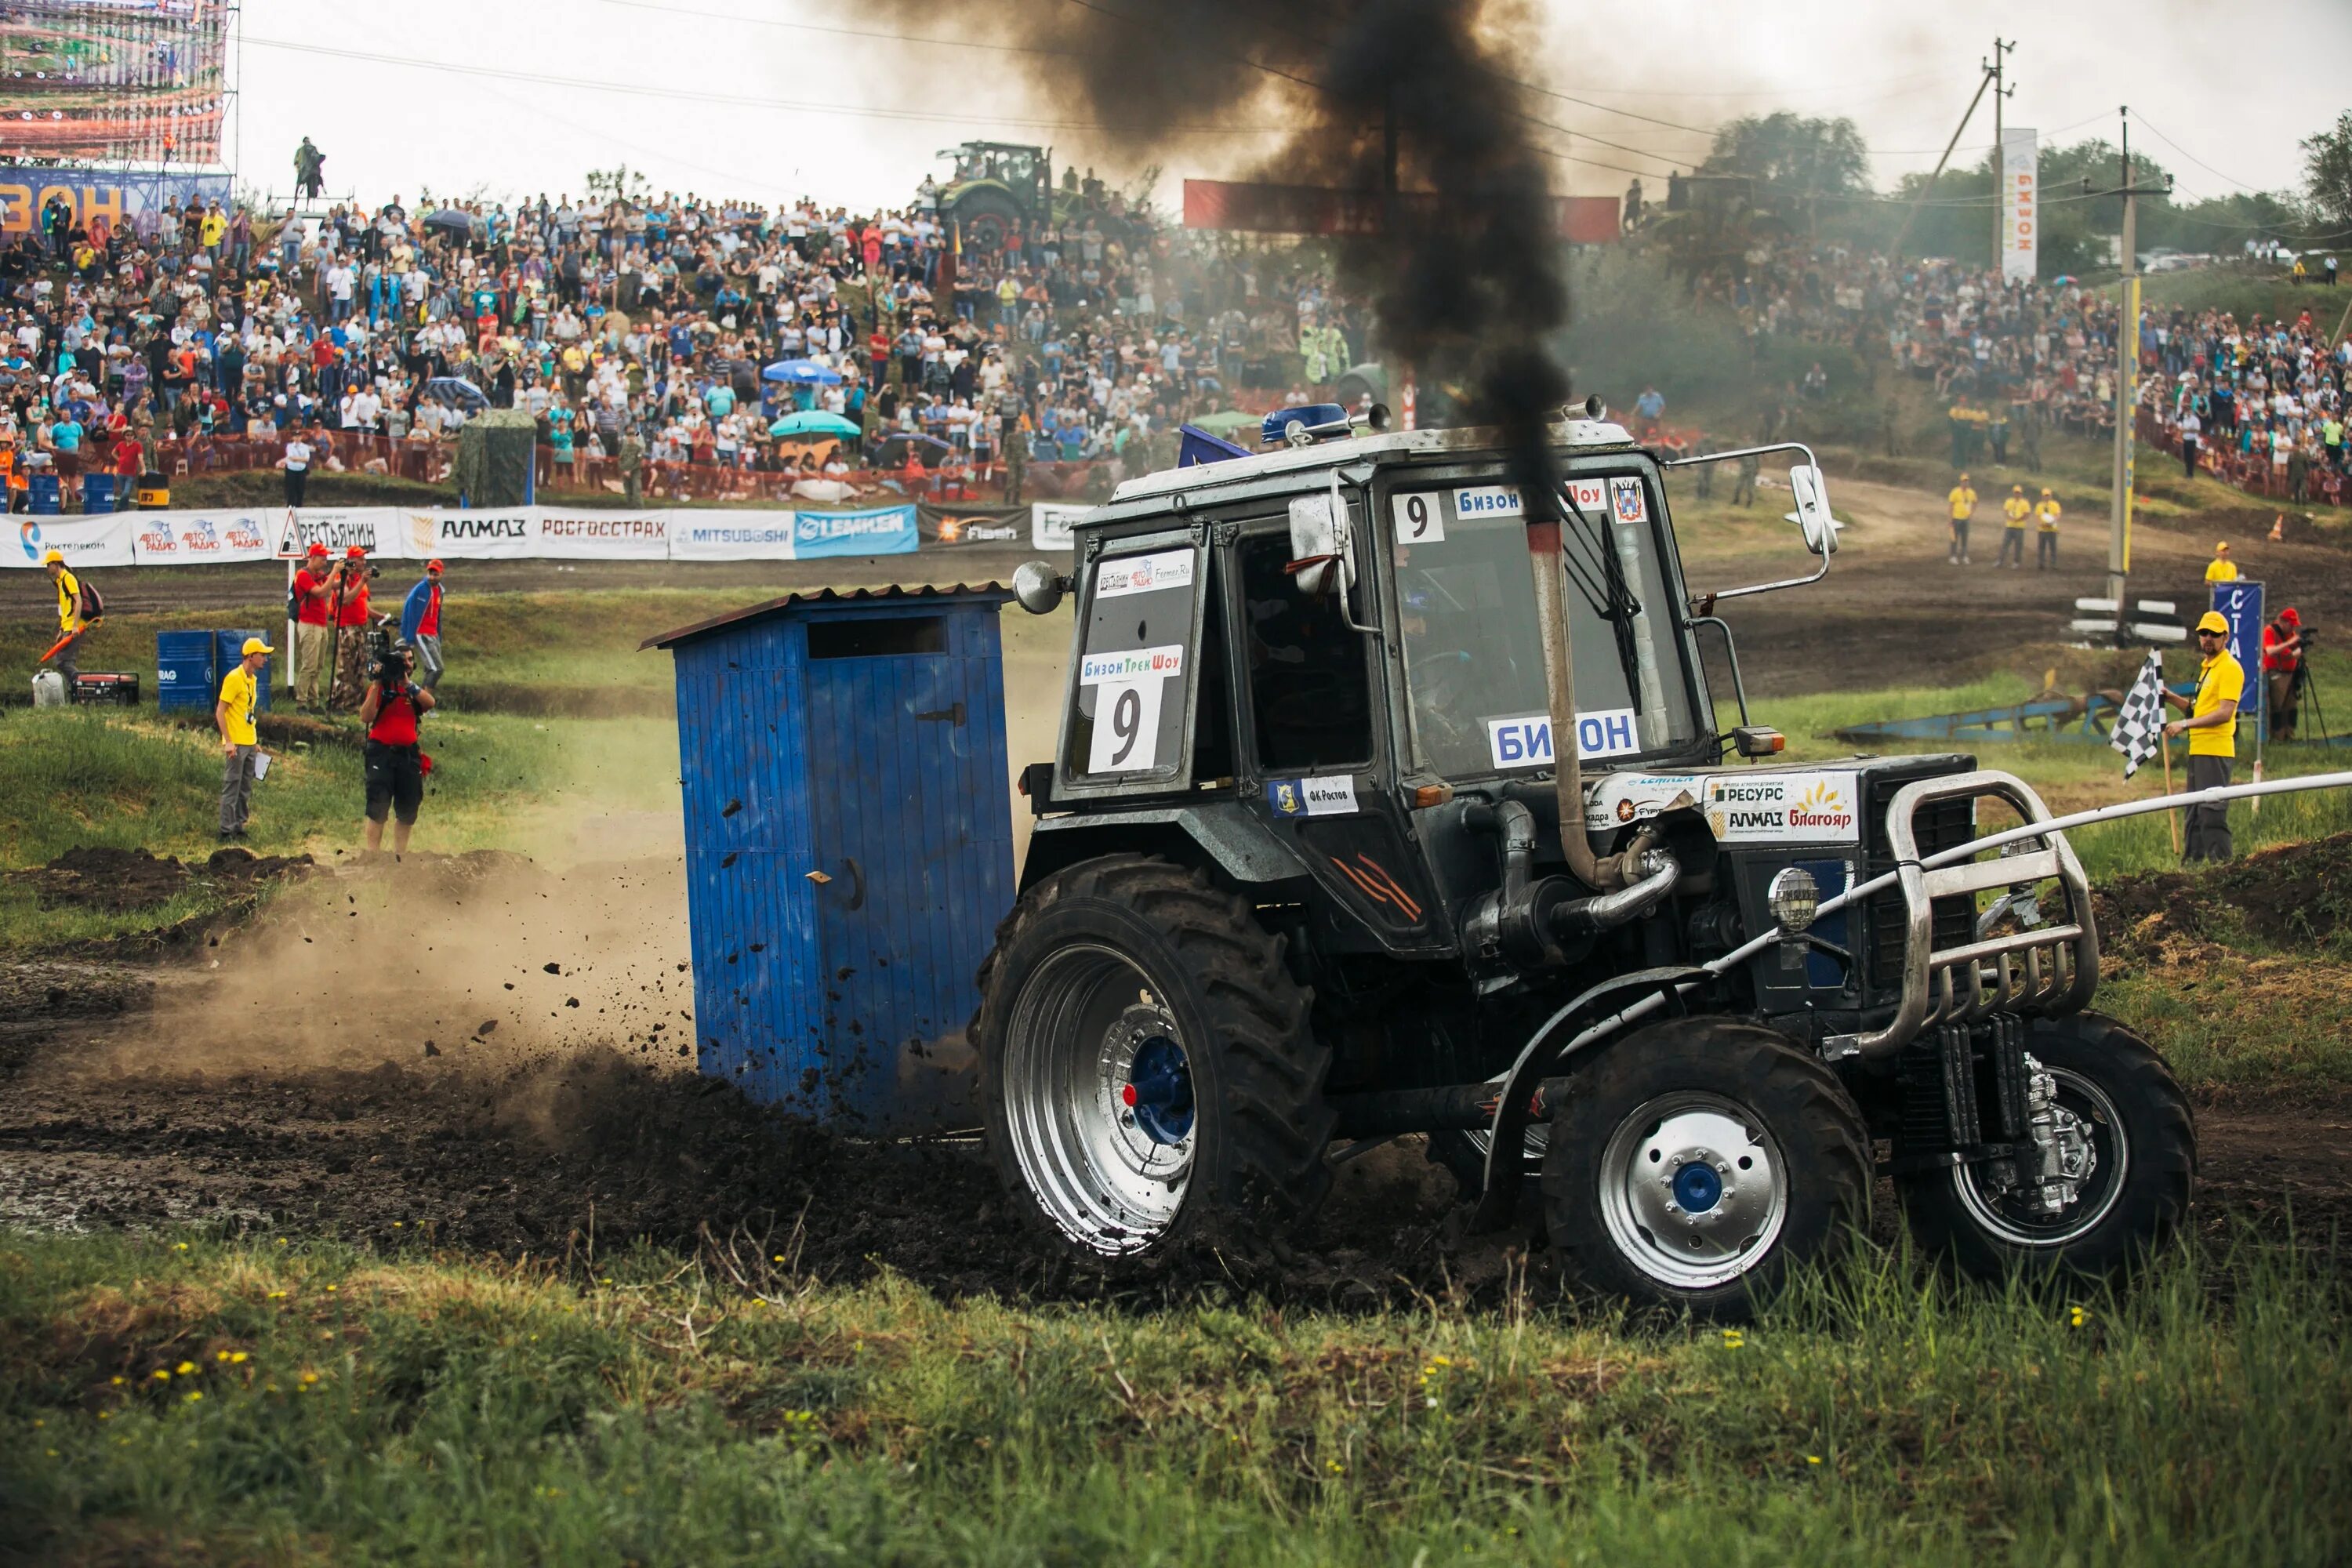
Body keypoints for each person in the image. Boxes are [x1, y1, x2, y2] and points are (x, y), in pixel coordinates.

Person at [2164, 612, 2242, 862]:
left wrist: (2185, 724)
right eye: (2203, 633)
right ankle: (2193, 866)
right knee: (2194, 811)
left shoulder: (2229, 668)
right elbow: (2197, 710)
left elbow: (2224, 713)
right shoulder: (2208, 669)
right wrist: (2170, 697)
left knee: (2212, 811)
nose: (2208, 638)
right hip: (2198, 749)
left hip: (2216, 750)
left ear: (2225, 638)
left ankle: (2222, 866)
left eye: (2214, 634)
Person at [359, 638, 435, 856]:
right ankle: (373, 855)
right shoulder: (381, 687)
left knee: (408, 807)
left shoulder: (412, 689)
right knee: (377, 806)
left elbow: (430, 703)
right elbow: (366, 716)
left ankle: (400, 855)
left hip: (408, 755)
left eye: (411, 660)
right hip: (381, 752)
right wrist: (376, 683)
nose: (407, 664)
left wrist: (406, 683)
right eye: (403, 660)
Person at [216, 637, 271, 840]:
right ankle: (225, 830)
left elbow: (247, 711)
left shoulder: (252, 680)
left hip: (249, 741)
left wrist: (254, 740)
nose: (265, 659)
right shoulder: (233, 678)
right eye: (262, 655)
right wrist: (228, 741)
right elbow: (221, 711)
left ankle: (239, 826)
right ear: (250, 656)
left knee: (245, 787)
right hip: (236, 744)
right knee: (232, 785)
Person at [291, 542, 336, 710]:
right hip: (309, 624)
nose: (325, 562)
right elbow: (321, 592)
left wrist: (347, 573)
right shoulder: (303, 575)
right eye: (323, 559)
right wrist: (335, 573)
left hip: (321, 624)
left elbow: (332, 585)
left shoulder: (320, 574)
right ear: (314, 558)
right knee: (309, 665)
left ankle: (313, 701)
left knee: (318, 666)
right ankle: (301, 702)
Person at [42, 549, 99, 681]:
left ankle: (82, 686)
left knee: (63, 662)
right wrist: (62, 629)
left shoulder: (68, 578)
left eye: (48, 565)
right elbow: (66, 608)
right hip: (68, 627)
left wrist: (74, 626)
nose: (47, 568)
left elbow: (78, 601)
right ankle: (76, 691)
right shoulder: (61, 581)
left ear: (56, 564)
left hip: (75, 627)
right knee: (64, 662)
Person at [329, 546, 372, 710]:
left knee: (359, 665)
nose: (364, 562)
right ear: (353, 560)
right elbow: (345, 599)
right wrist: (362, 581)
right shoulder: (345, 578)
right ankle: (340, 702)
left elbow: (364, 605)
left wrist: (381, 616)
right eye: (361, 559)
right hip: (347, 627)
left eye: (364, 559)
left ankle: (353, 702)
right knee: (346, 666)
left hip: (360, 626)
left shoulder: (359, 580)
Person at [400, 559, 446, 694]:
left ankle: (421, 702)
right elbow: (409, 611)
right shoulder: (421, 590)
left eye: (435, 574)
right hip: (421, 633)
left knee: (430, 668)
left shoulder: (440, 591)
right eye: (430, 574)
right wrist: (409, 636)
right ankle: (426, 703)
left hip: (433, 634)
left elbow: (438, 615)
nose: (432, 577)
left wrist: (439, 635)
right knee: (436, 668)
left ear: (442, 574)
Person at [2263, 606, 2307, 742]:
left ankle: (2289, 735)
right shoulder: (2270, 631)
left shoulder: (2290, 634)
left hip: (2291, 674)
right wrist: (2290, 645)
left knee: (2291, 707)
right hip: (2276, 673)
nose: (2293, 629)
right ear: (2283, 622)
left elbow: (2289, 652)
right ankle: (2277, 738)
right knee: (2278, 707)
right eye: (2291, 625)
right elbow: (2270, 651)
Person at [1945, 473, 1976, 565]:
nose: (1965, 483)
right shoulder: (1955, 492)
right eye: (1964, 481)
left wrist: (1971, 513)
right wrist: (1950, 519)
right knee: (1954, 538)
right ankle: (1953, 556)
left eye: (1966, 481)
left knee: (1965, 538)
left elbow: (1975, 502)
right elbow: (1951, 506)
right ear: (1961, 482)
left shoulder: (1971, 493)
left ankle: (1964, 556)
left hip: (1966, 519)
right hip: (1956, 518)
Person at [1998, 485, 2030, 568]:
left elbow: (2027, 514)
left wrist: (2018, 519)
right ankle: (2000, 561)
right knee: (2005, 544)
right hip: (2010, 526)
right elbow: (2006, 512)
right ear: (2013, 493)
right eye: (2016, 493)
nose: (2017, 494)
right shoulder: (2009, 501)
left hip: (2020, 527)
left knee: (2018, 546)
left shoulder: (2025, 503)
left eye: (2019, 493)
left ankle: (2016, 562)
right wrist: (2010, 518)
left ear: (2021, 493)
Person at [281, 426, 313, 507]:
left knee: (300, 489)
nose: (297, 438)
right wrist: (300, 459)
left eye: (299, 436)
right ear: (293, 437)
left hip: (301, 469)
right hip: (291, 469)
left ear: (301, 437)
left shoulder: (305, 447)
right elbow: (291, 457)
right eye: (295, 436)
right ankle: (290, 505)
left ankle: (299, 505)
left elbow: (307, 459)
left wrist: (297, 459)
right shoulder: (289, 446)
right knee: (291, 488)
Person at [2033, 488, 2061, 570]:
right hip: (2042, 529)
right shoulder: (2039, 505)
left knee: (2053, 547)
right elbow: (2037, 517)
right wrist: (2041, 524)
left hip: (2052, 529)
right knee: (2041, 547)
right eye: (2045, 495)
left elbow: (2058, 515)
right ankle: (2041, 563)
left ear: (2051, 495)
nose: (2046, 497)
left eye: (2048, 495)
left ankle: (2053, 564)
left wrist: (2052, 522)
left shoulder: (2055, 504)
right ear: (2042, 496)